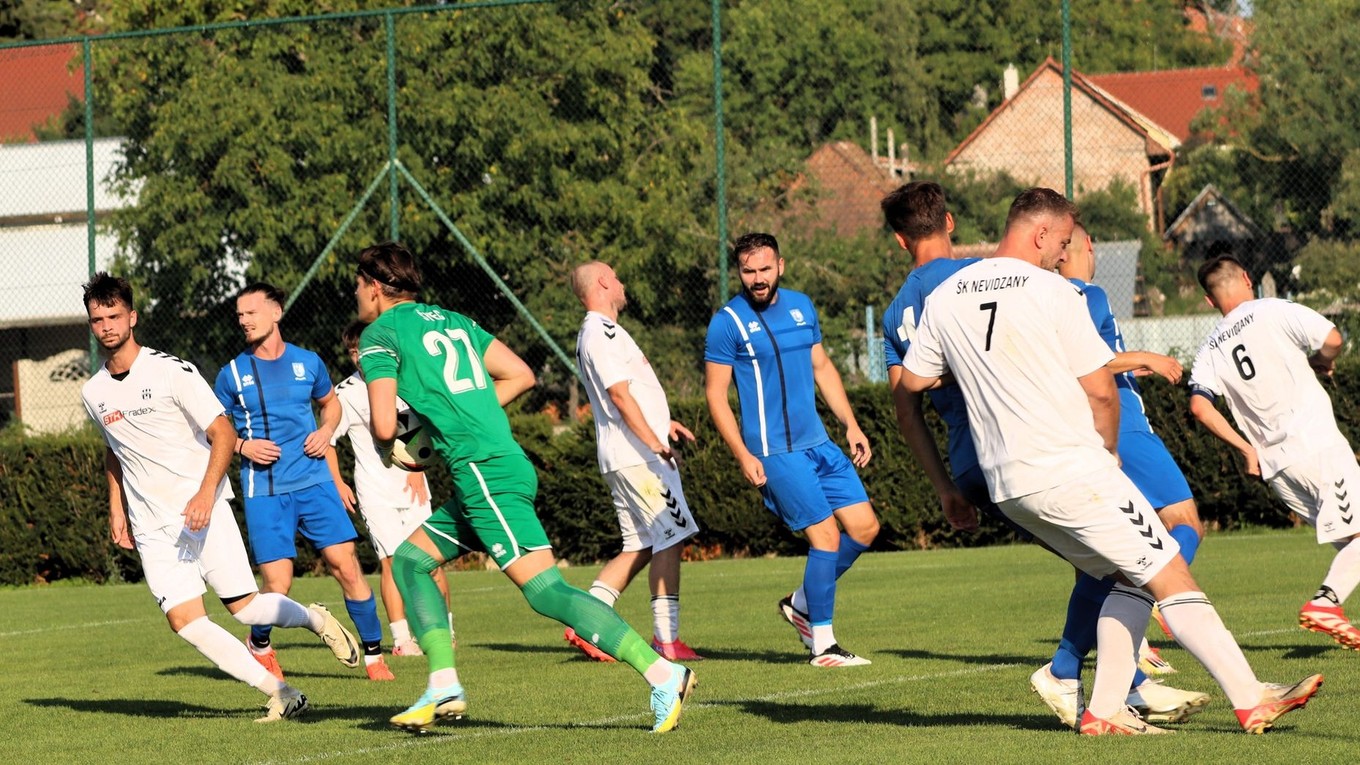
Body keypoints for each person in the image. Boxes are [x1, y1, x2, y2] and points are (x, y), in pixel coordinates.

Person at [898, 187, 1322, 735]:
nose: (1063, 255)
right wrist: (1109, 453)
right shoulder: (1051, 291)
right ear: (1040, 234)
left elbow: (912, 384)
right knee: (1169, 566)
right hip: (1069, 467)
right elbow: (1101, 390)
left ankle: (1103, 712)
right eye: (1063, 243)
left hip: (1009, 485)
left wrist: (978, 380)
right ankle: (1250, 698)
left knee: (1128, 575)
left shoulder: (947, 295)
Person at [880, 182, 1205, 728]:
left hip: (972, 466)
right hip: (1027, 450)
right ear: (951, 222)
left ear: (898, 240)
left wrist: (944, 488)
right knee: (1120, 558)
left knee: (1101, 562)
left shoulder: (895, 316)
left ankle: (1118, 681)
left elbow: (906, 405)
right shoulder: (979, 277)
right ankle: (1088, 676)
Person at [352, 241, 695, 733]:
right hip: (497, 466)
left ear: (375, 287)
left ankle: (663, 674)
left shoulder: (379, 335)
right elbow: (522, 374)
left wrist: (414, 438)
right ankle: (443, 682)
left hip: (482, 472)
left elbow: (385, 427)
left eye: (358, 286)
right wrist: (470, 415)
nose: (356, 296)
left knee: (545, 591)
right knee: (410, 562)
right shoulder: (454, 320)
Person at [80, 272, 361, 723]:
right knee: (185, 623)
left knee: (246, 608)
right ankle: (281, 691)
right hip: (153, 525)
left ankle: (314, 620)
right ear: (91, 325)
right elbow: (115, 450)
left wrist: (206, 494)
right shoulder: (92, 392)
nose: (107, 326)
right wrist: (117, 508)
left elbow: (223, 432)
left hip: (203, 509)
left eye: (114, 316)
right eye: (98, 319)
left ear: (132, 318)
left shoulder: (171, 371)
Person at [705, 232, 880, 667]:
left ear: (781, 265)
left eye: (765, 269)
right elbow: (715, 396)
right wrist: (744, 455)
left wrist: (851, 423)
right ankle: (823, 645)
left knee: (864, 529)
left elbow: (822, 366)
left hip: (819, 442)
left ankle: (802, 602)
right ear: (740, 273)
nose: (758, 278)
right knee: (825, 537)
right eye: (749, 271)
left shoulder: (803, 306)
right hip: (773, 451)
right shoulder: (727, 321)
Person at [213, 282, 390, 681]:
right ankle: (259, 644)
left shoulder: (308, 362)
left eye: (251, 312)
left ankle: (376, 658)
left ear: (276, 312)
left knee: (344, 565)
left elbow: (331, 404)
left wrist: (327, 431)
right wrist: (243, 446)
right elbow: (213, 428)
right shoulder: (232, 374)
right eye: (239, 315)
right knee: (278, 582)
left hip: (314, 482)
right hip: (266, 490)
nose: (243, 320)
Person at [1189, 254, 1360, 651]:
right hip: (1316, 447)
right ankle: (1325, 603)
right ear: (1249, 278)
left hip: (1278, 470)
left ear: (1210, 302)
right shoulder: (1273, 309)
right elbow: (1332, 338)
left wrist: (1246, 448)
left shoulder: (1210, 348)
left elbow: (1199, 406)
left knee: (1352, 547)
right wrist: (1321, 361)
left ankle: (1330, 601)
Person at [568, 261, 703, 662]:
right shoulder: (601, 332)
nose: (623, 283)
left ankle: (585, 622)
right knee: (672, 536)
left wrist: (663, 423)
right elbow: (620, 395)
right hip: (637, 456)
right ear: (604, 282)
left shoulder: (599, 332)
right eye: (617, 276)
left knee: (640, 544)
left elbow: (629, 395)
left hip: (624, 453)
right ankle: (667, 639)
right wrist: (653, 441)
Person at [325, 320, 454, 658]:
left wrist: (417, 468)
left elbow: (427, 429)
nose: (358, 358)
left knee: (431, 562)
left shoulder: (405, 382)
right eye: (353, 352)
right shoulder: (346, 393)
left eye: (362, 350)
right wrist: (337, 482)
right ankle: (402, 640)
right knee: (392, 562)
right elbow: (327, 442)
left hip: (415, 489)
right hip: (375, 492)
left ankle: (445, 630)